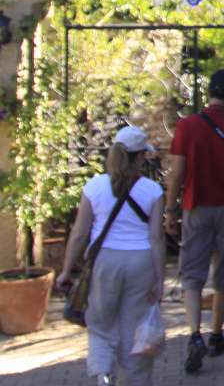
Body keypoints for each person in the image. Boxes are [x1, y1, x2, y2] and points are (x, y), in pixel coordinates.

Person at [56, 125, 166, 386]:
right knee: (135, 328)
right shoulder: (152, 190)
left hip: (104, 262)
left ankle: (104, 376)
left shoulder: (94, 187)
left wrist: (66, 270)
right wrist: (160, 278)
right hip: (141, 262)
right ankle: (136, 380)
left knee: (100, 326)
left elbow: (79, 234)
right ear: (141, 157)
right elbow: (156, 238)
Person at [163, 69, 224, 374]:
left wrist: (170, 210)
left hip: (196, 206)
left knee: (192, 274)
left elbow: (177, 173)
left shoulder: (187, 126)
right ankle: (216, 334)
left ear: (209, 91)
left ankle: (194, 334)